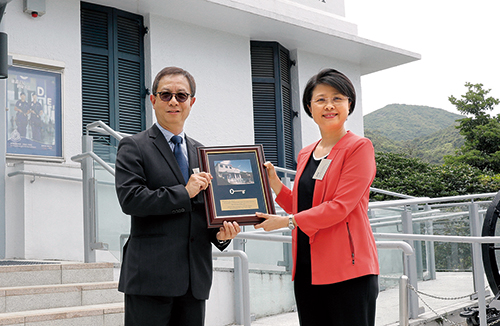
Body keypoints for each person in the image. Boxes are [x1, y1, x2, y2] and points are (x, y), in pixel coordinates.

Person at [115, 66, 241, 326]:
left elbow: (204, 211)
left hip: (194, 281)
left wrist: (220, 235)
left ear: (191, 102)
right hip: (150, 279)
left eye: (181, 96)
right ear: (153, 100)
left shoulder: (203, 153)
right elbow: (131, 199)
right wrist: (184, 192)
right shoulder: (133, 146)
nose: (173, 101)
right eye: (165, 95)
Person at [255, 68, 379, 326]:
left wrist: (286, 222)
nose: (329, 105)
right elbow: (304, 206)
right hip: (307, 268)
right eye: (321, 99)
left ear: (349, 104)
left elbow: (339, 207)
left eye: (337, 98)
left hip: (348, 270)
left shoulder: (359, 148)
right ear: (309, 108)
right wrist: (276, 186)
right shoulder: (305, 153)